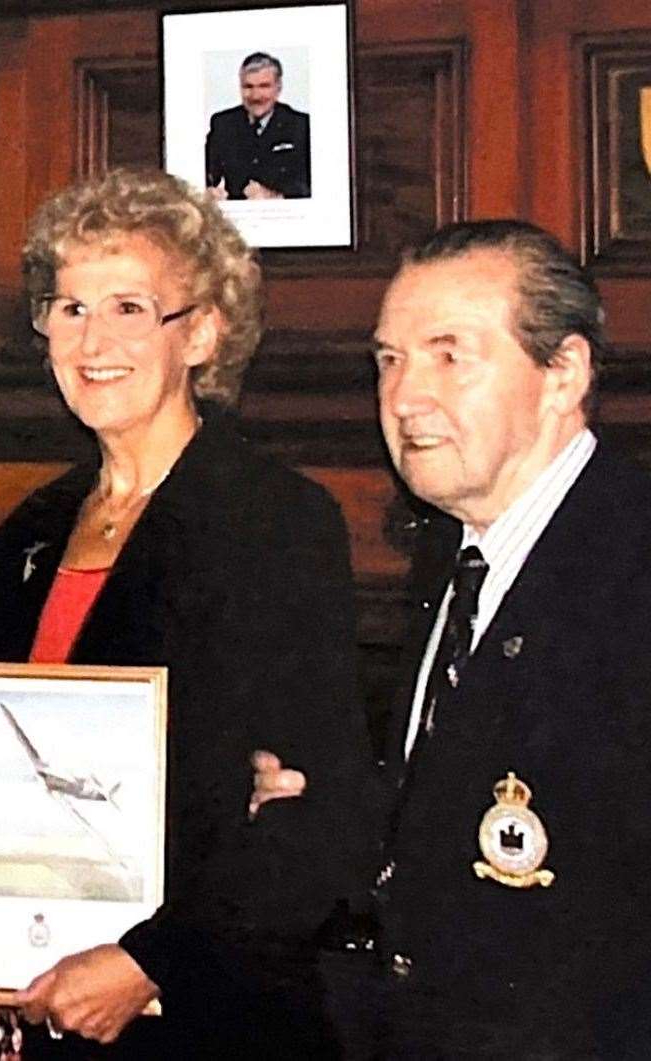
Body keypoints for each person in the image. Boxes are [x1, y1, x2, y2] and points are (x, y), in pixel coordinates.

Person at [0, 167, 371, 1058]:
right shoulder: (34, 528)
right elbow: (18, 756)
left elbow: (319, 816)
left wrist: (150, 962)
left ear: (203, 334)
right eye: (68, 308)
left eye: (129, 308)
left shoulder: (275, 522)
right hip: (26, 998)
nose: (91, 339)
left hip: (197, 1011)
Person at [278, 220, 651, 1055]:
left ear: (563, 373)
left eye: (450, 354)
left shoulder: (630, 567)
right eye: (389, 359)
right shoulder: (455, 556)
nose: (406, 395)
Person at [205, 52, 311, 201]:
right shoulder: (223, 124)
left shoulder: (301, 126)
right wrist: (209, 192)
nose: (256, 96)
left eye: (264, 86)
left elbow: (314, 186)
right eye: (248, 87)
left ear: (278, 88)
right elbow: (206, 173)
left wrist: (276, 197)